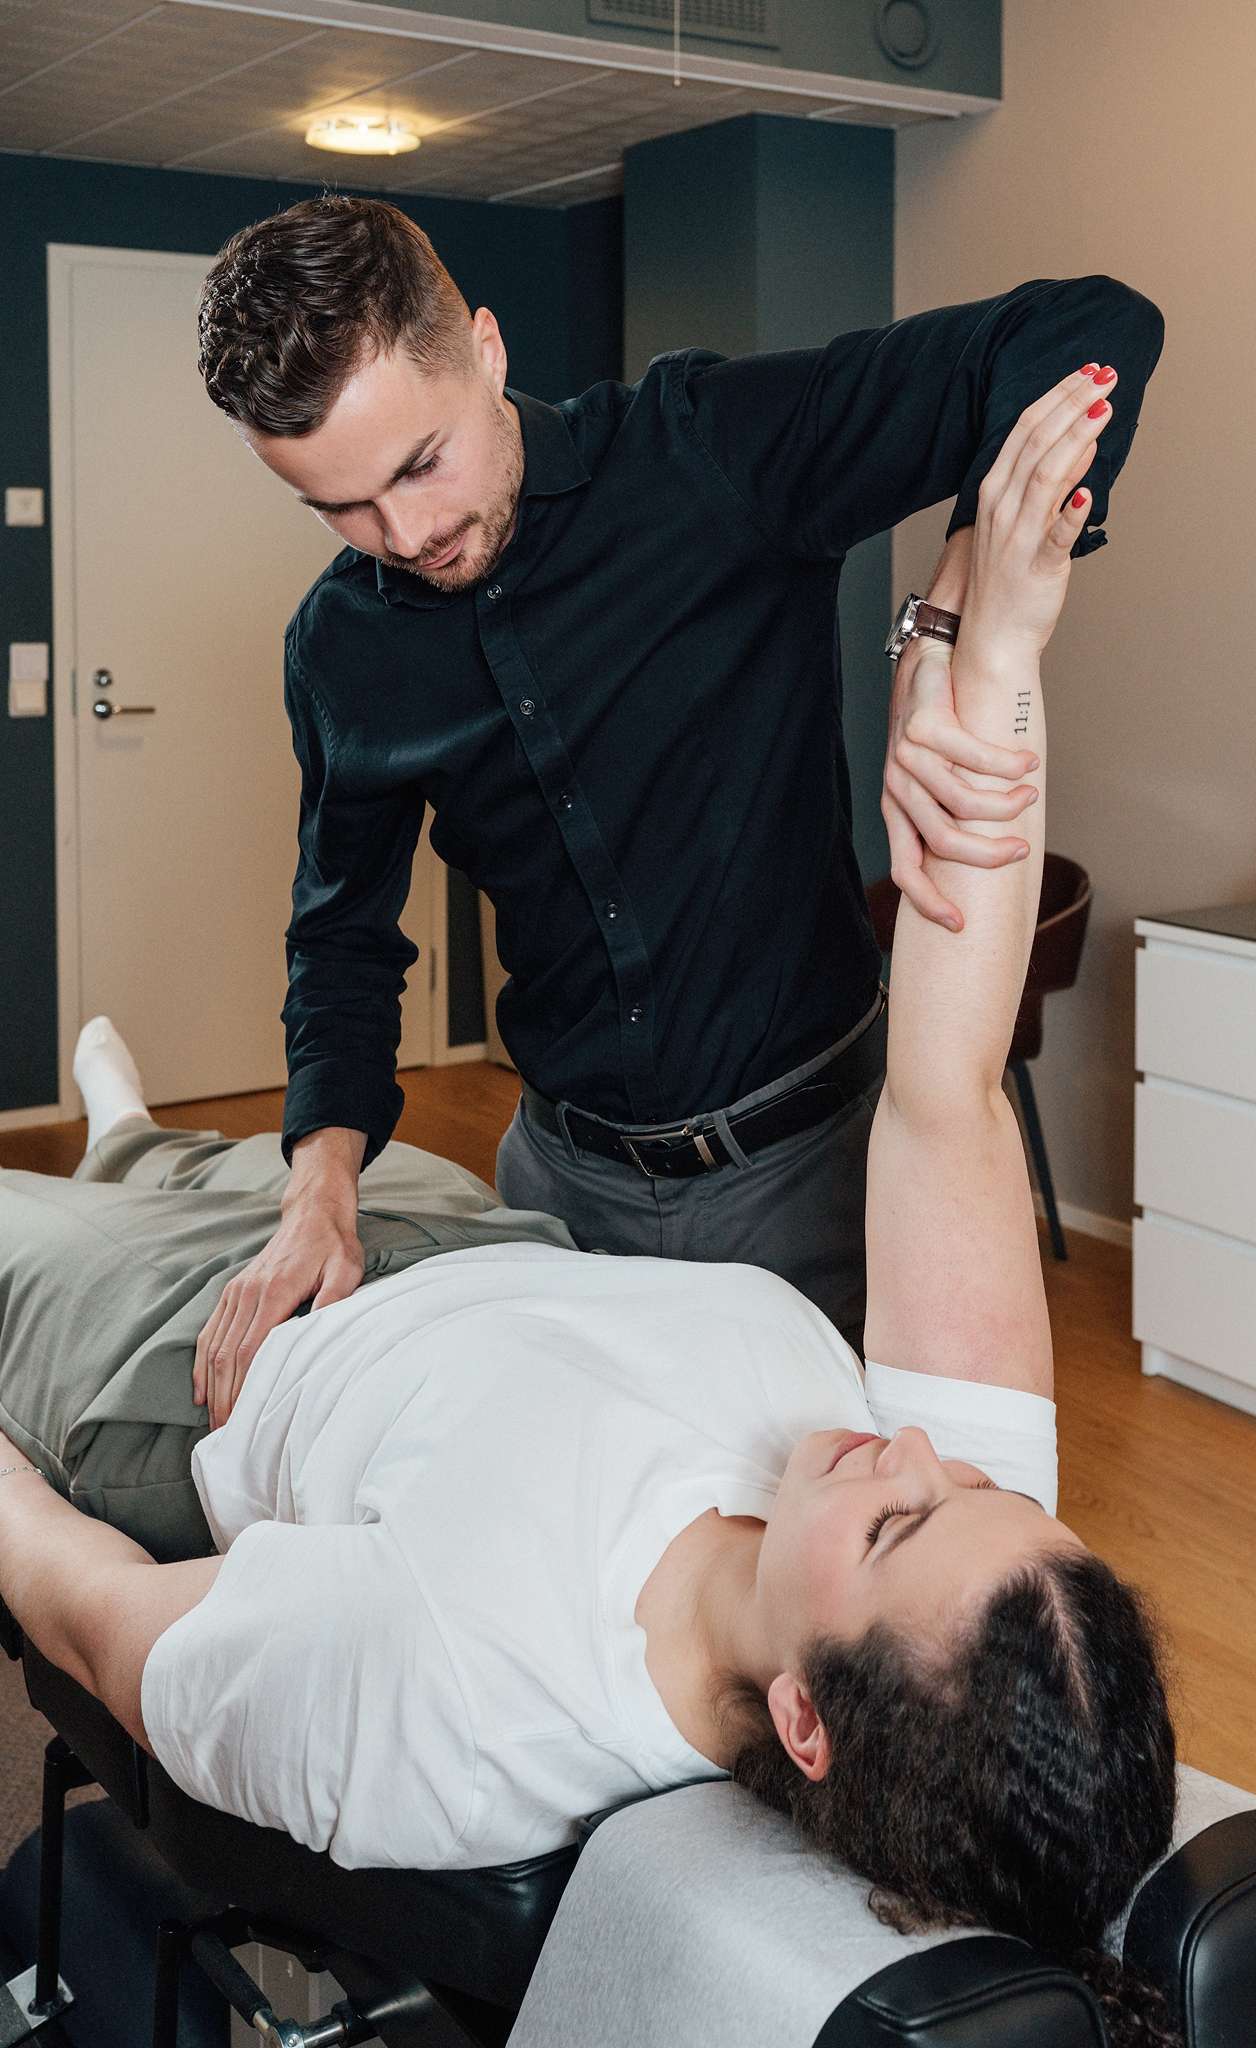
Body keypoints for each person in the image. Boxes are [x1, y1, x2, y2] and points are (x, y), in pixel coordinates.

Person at [0, 374, 1177, 2048]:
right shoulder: (963, 1573)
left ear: (804, 1721)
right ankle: (130, 1136)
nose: (917, 1446)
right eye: (973, 1481)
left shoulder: (459, 1698)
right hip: (470, 1244)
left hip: (201, 1367)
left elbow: (103, 1622)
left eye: (899, 1518)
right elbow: (945, 1086)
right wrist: (983, 656)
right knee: (246, 1166)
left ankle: (111, 1172)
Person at [191, 190, 1164, 1390]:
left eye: (421, 464)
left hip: (817, 1178)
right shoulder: (341, 647)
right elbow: (341, 939)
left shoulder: (703, 449)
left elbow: (1087, 328)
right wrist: (319, 1190)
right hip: (558, 1200)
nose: (404, 532)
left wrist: (941, 631)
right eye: (338, 506)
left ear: (485, 351)